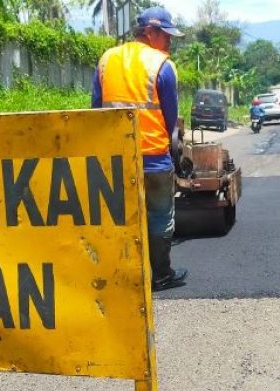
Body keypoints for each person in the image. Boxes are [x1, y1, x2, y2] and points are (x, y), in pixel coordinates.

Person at [92, 6, 187, 291]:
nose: (170, 41)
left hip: (116, 158)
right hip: (155, 157)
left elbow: (95, 108)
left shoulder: (107, 60)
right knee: (159, 216)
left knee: (121, 218)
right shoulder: (162, 65)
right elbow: (170, 117)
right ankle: (160, 275)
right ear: (150, 32)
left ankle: (125, 277)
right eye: (166, 34)